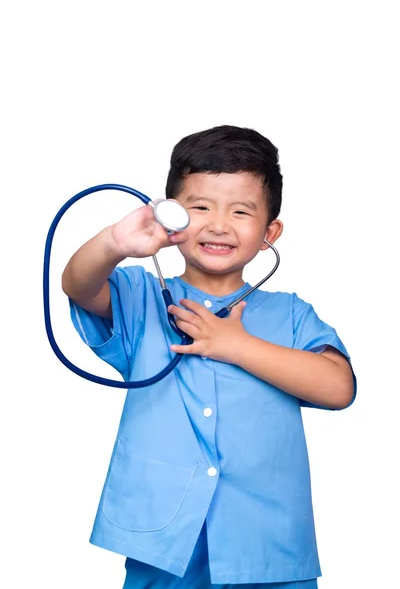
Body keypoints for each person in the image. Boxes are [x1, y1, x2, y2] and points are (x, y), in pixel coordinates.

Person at [62, 125, 357, 588]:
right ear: (171, 217)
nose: (219, 225)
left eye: (241, 211)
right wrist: (114, 245)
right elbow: (79, 286)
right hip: (164, 544)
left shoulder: (291, 314)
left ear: (269, 232)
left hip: (265, 546)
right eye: (200, 208)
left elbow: (339, 388)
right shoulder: (142, 297)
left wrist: (236, 345)